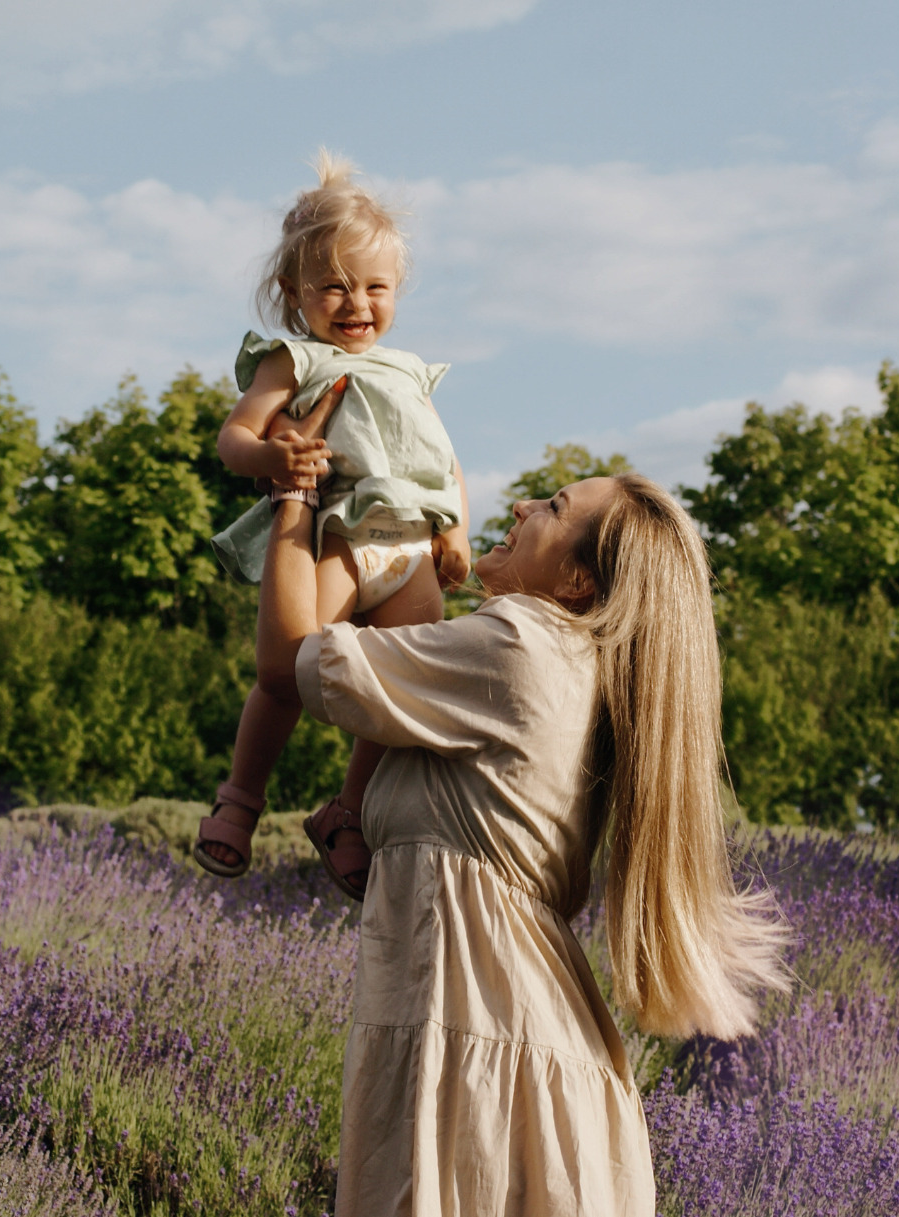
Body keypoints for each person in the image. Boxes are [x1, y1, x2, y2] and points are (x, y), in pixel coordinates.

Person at [254, 447, 790, 1214]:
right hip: (515, 1054)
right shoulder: (570, 665)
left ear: (577, 581)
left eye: (554, 507)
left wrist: (293, 499)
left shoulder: (522, 643)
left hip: (482, 1058)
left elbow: (289, 663)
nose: (521, 507)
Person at [194, 153, 472, 898]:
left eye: (375, 286)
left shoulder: (409, 370)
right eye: (334, 286)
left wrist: (457, 530)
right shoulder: (297, 360)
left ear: (396, 290)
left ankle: (347, 812)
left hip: (411, 550)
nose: (357, 303)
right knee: (291, 670)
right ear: (294, 292)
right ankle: (240, 799)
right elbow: (234, 438)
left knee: (403, 689)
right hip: (343, 539)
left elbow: (446, 459)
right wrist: (272, 454)